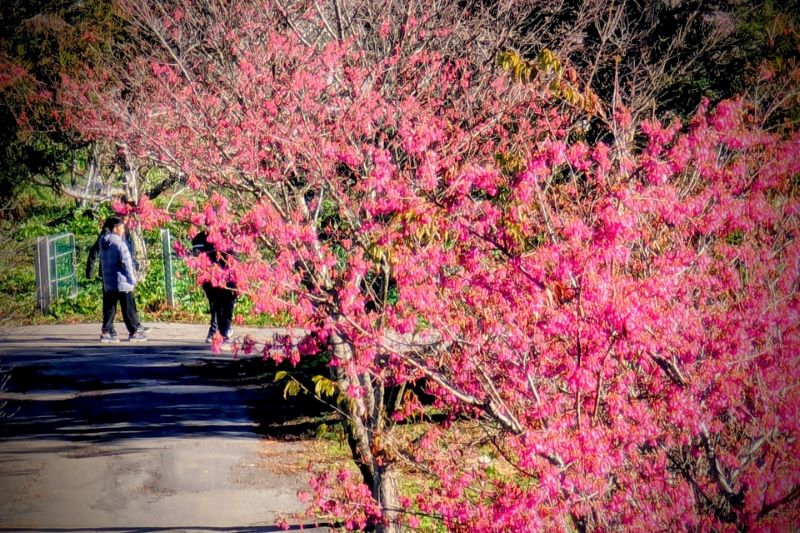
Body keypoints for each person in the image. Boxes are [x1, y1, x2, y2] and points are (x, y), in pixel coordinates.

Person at [87, 216, 151, 337]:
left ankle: (106, 332)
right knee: (128, 309)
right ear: (115, 228)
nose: (123, 229)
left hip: (109, 281)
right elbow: (126, 264)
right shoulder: (120, 244)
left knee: (110, 308)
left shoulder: (103, 242)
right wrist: (132, 280)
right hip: (123, 282)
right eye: (121, 227)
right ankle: (134, 332)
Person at [191, 231, 237, 349]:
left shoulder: (229, 234)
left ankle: (222, 333)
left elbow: (235, 257)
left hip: (228, 277)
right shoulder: (200, 237)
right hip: (210, 278)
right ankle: (218, 331)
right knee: (216, 304)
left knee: (226, 305)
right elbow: (196, 256)